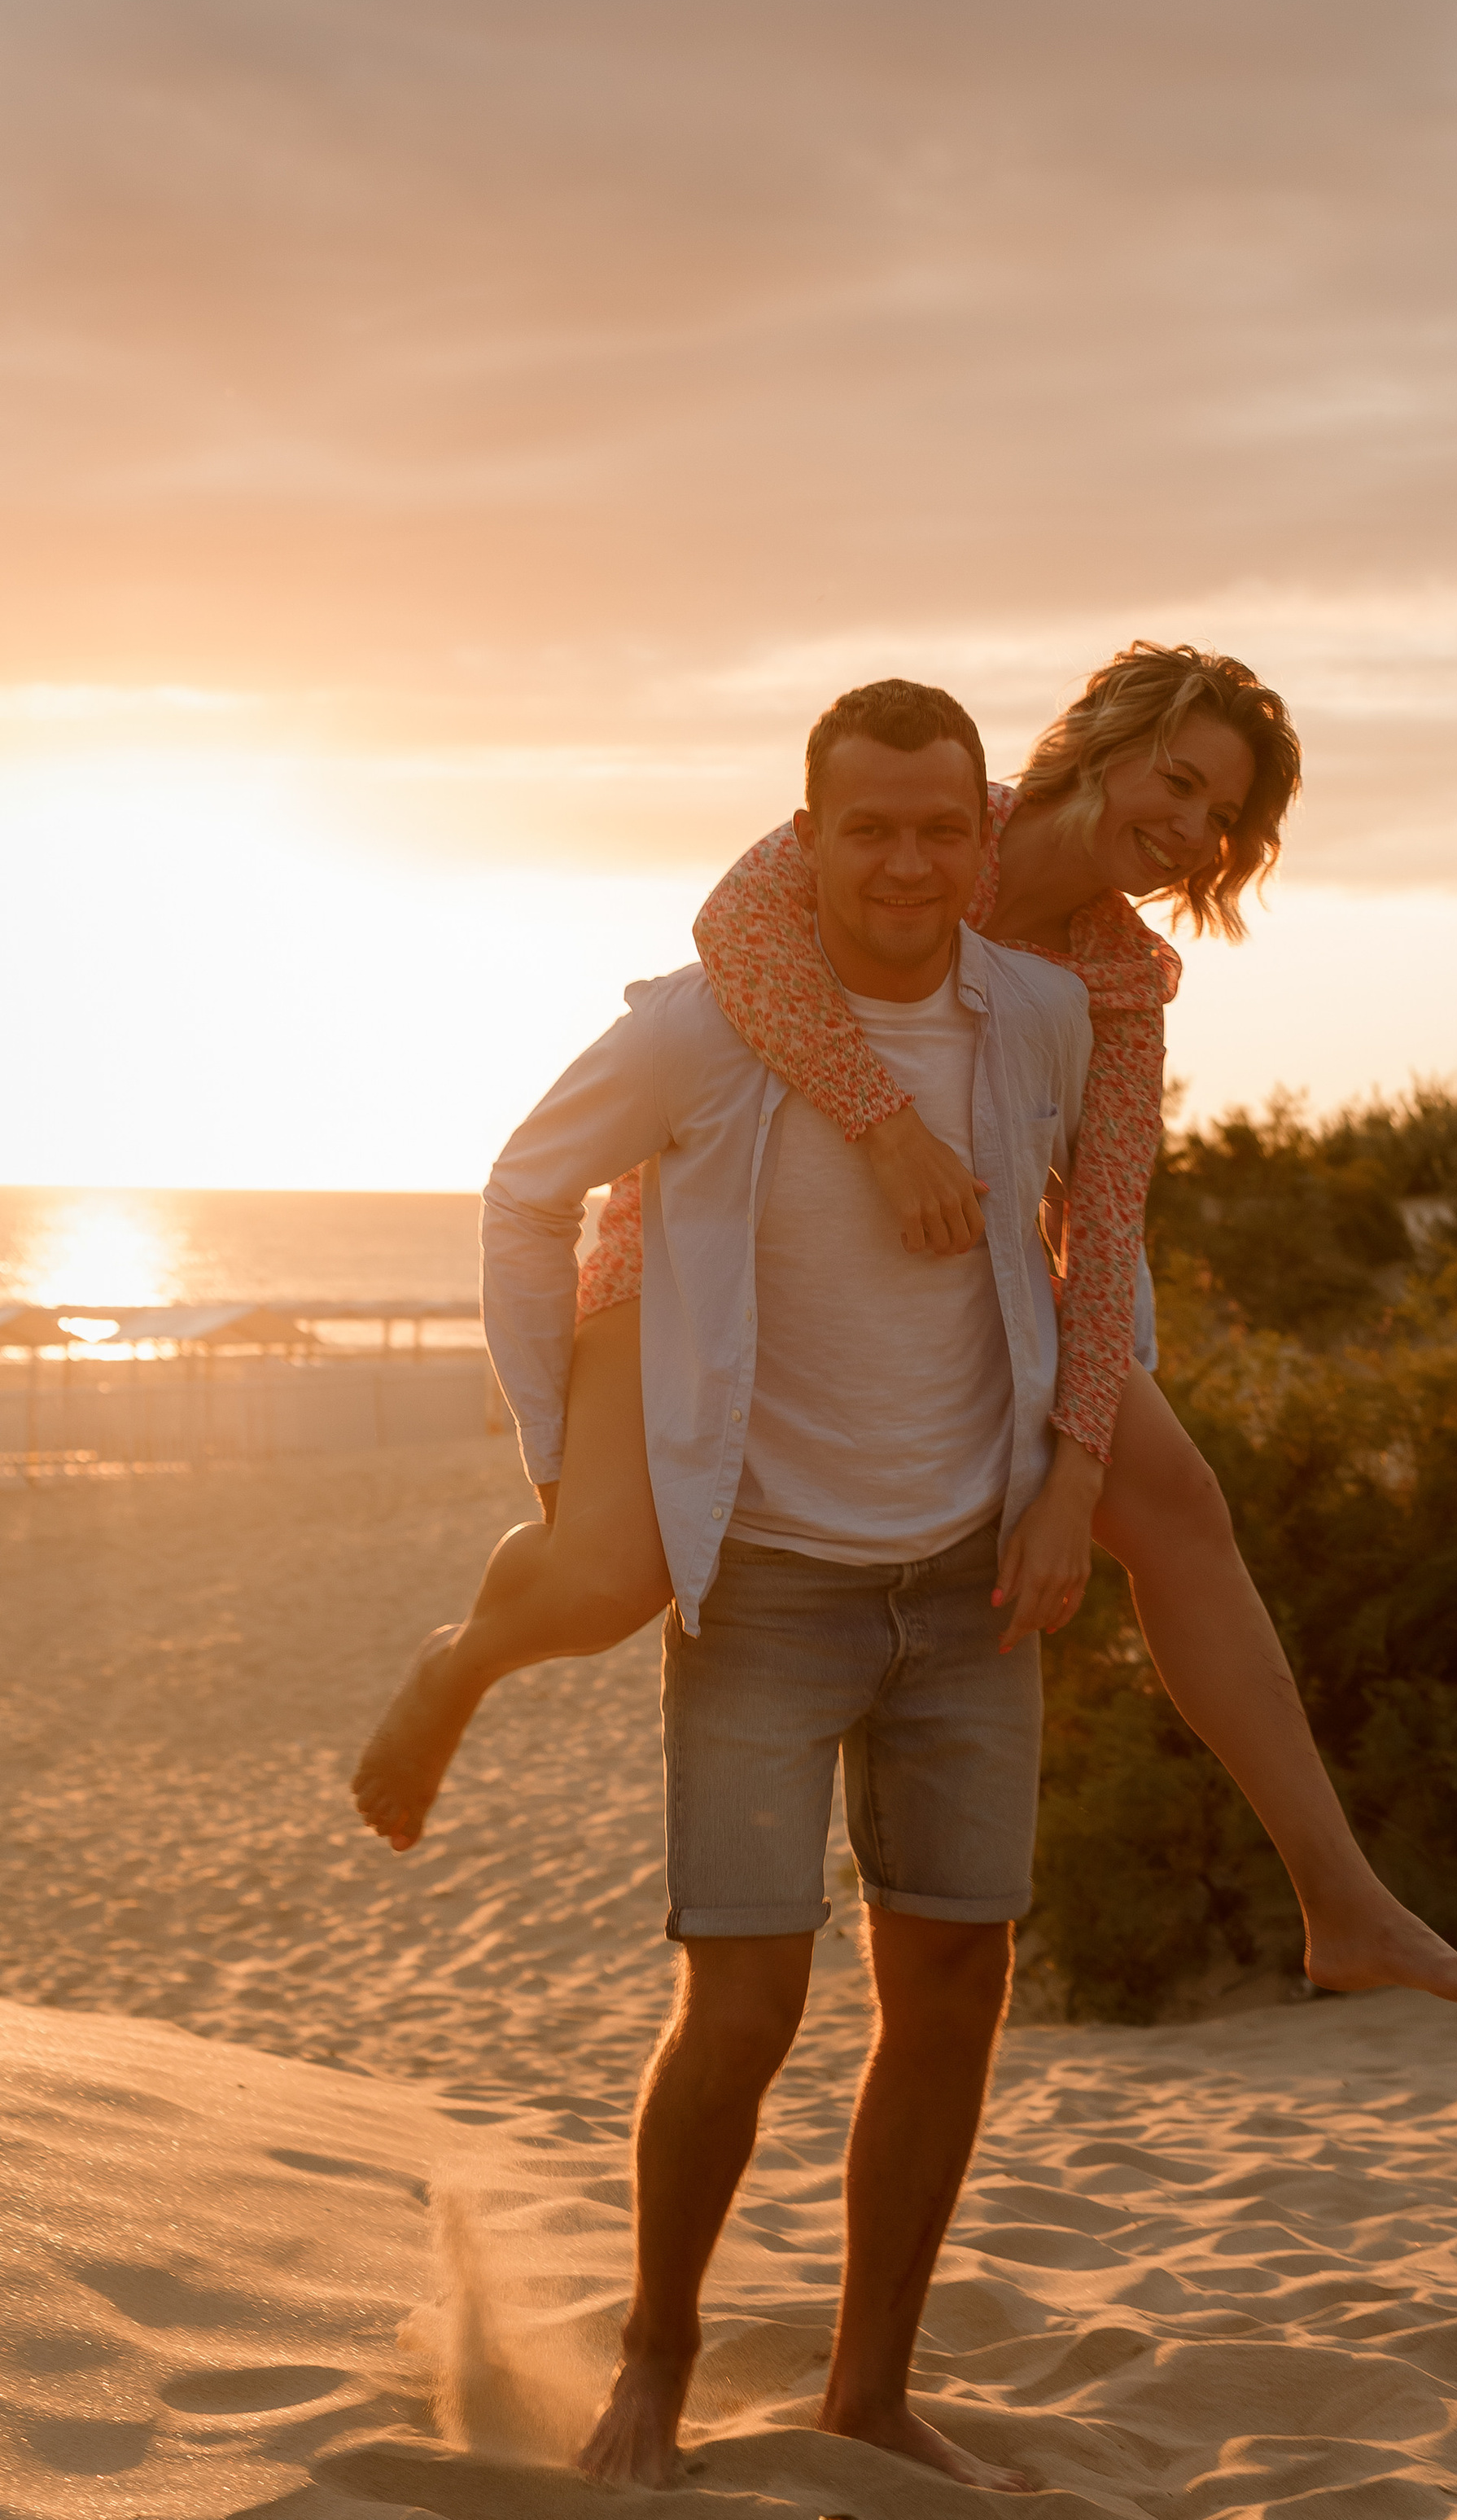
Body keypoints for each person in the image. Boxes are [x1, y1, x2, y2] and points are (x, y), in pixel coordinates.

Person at [356, 643, 1457, 2010]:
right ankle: (466, 1655)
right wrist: (884, 1127)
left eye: (1223, 815)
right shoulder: (925, 816)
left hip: (949, 1277)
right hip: (707, 1254)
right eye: (1183, 779)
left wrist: (1079, 1465)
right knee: (608, 1582)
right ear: (1111, 740)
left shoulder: (1123, 986)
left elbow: (1104, 1232)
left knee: (1179, 1503)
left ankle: (1343, 1899)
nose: (1193, 826)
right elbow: (735, 934)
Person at [479, 681, 1092, 2487]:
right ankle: (654, 2362)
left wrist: (1070, 1476)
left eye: (936, 827)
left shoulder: (1038, 1019)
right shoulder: (702, 1029)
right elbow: (523, 1189)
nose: (904, 860)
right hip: (759, 1586)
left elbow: (1090, 1251)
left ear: (982, 839)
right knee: (740, 2009)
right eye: (866, 827)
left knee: (955, 1990)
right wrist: (560, 1458)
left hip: (972, 1585)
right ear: (805, 838)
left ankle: (866, 2388)